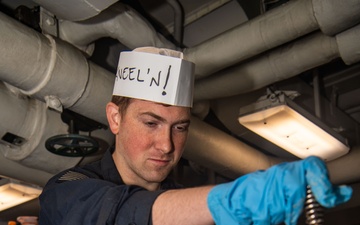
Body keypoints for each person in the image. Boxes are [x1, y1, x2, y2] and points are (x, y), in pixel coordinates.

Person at [39, 47, 352, 225]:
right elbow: (115, 213)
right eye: (151, 123)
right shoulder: (70, 188)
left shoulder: (191, 206)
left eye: (180, 127)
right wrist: (227, 200)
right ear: (115, 118)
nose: (166, 145)